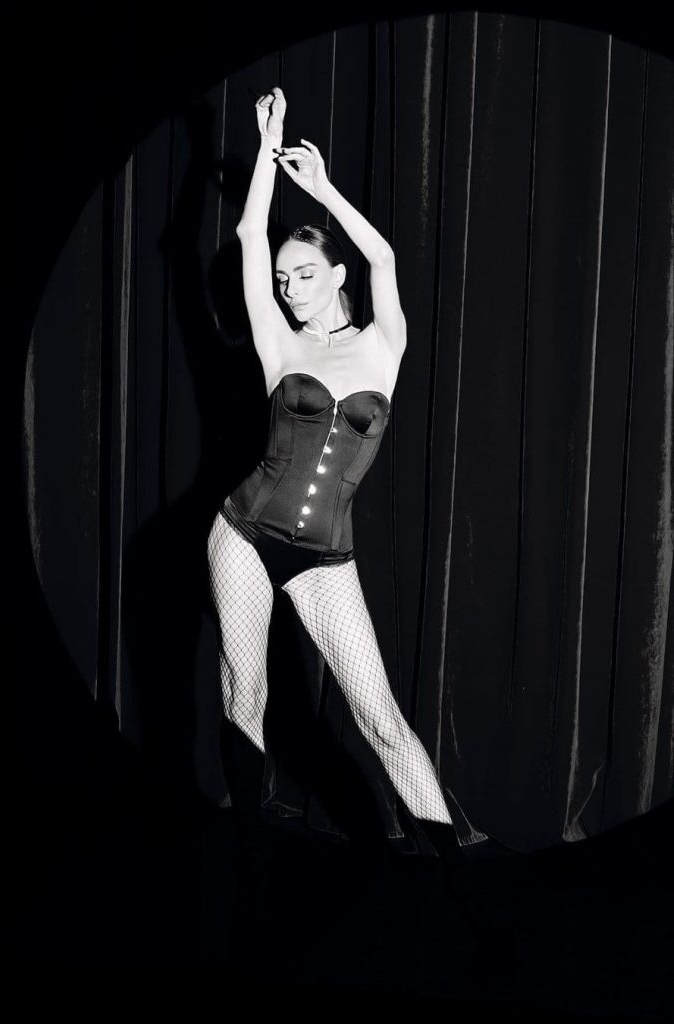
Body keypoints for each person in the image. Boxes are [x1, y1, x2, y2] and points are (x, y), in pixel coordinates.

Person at [207, 86, 508, 865]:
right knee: (247, 694)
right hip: (242, 533)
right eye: (282, 279)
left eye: (304, 274)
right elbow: (248, 231)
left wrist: (322, 188)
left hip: (324, 557)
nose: (288, 287)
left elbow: (385, 258)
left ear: (335, 274)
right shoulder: (279, 345)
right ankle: (244, 863)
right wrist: (265, 145)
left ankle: (453, 869)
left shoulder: (382, 345)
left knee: (380, 720)